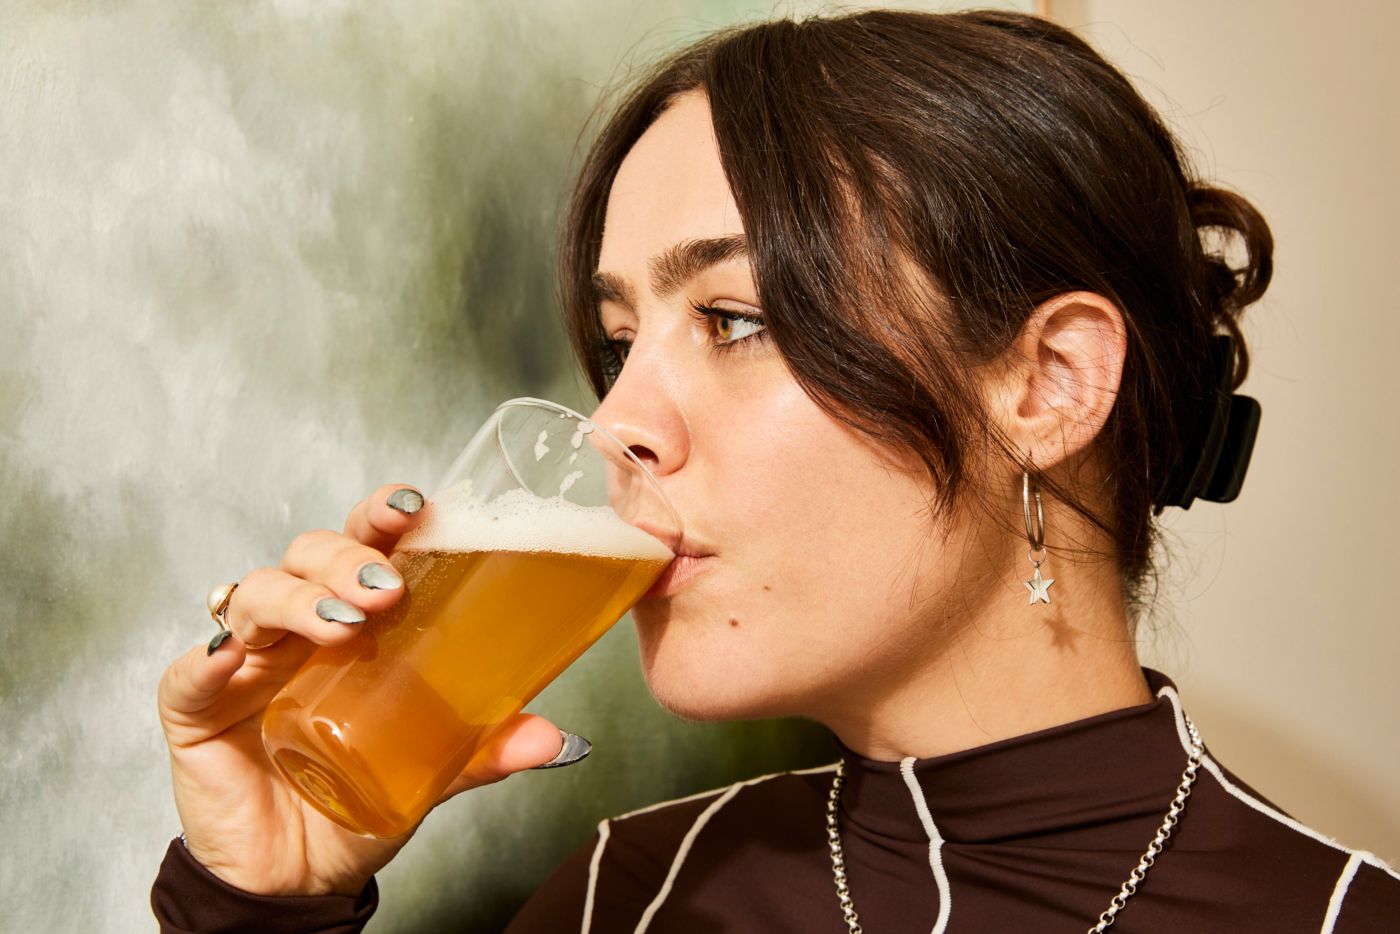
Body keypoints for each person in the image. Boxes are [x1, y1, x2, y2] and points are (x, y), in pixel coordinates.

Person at [151, 9, 1400, 932]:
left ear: (1048, 383)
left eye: (735, 320)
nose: (615, 423)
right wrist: (264, 898)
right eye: (621, 341)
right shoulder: (629, 898)